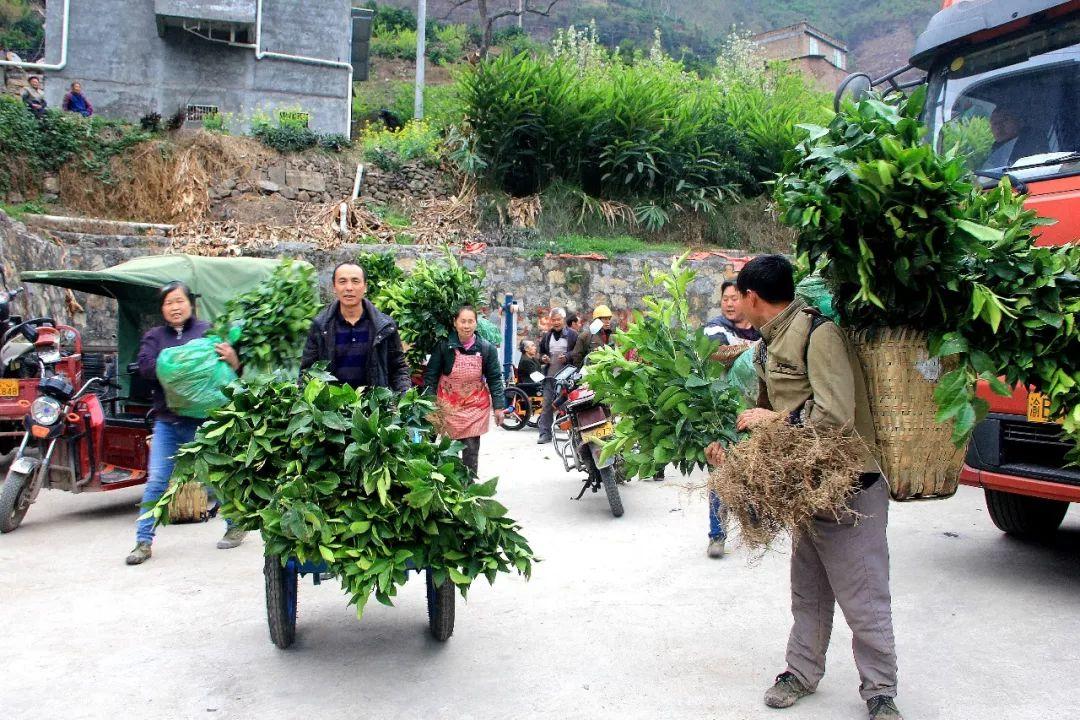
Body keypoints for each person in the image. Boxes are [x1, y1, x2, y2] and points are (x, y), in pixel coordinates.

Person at [704, 255, 901, 720]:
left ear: (753, 298)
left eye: (741, 299)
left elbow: (835, 414)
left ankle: (880, 691)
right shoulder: (769, 345)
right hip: (807, 486)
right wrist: (730, 450)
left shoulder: (819, 334)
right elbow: (760, 416)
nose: (738, 307)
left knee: (863, 593)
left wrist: (777, 420)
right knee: (808, 588)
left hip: (850, 484)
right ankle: (801, 672)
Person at [126, 282, 244, 566]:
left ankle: (235, 524)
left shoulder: (208, 332)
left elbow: (229, 372)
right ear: (162, 309)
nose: (175, 307)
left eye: (179, 301)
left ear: (191, 304)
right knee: (157, 481)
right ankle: (143, 542)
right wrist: (177, 366)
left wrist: (233, 360)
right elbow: (145, 367)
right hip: (168, 421)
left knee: (215, 478)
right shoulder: (154, 338)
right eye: (168, 303)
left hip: (203, 421)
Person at [704, 281, 761, 559]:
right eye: (724, 298)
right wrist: (755, 348)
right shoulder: (715, 327)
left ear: (747, 300)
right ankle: (717, 535)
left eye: (734, 298)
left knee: (753, 467)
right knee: (719, 472)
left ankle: (755, 522)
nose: (728, 303)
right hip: (721, 412)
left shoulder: (757, 328)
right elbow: (718, 354)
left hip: (753, 411)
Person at [299, 262, 410, 392]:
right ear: (334, 287)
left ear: (365, 287)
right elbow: (308, 372)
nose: (349, 288)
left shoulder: (384, 326)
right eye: (342, 281)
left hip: (375, 407)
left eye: (355, 281)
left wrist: (404, 395)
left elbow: (398, 368)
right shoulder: (321, 326)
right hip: (332, 407)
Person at [423, 306, 505, 476]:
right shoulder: (444, 346)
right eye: (462, 321)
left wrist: (499, 407)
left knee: (471, 452)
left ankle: (468, 488)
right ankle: (449, 488)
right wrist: (430, 403)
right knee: (447, 452)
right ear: (455, 323)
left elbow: (495, 378)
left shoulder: (486, 348)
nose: (466, 326)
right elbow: (431, 375)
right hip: (446, 406)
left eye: (470, 321)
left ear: (476, 323)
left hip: (474, 407)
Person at [536, 307, 578, 444]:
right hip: (550, 376)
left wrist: (567, 356)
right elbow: (540, 353)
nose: (556, 322)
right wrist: (543, 358)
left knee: (570, 404)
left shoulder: (573, 335)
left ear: (564, 320)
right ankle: (545, 434)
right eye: (553, 320)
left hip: (567, 377)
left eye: (558, 319)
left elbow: (577, 353)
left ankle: (575, 434)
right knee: (547, 404)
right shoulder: (547, 336)